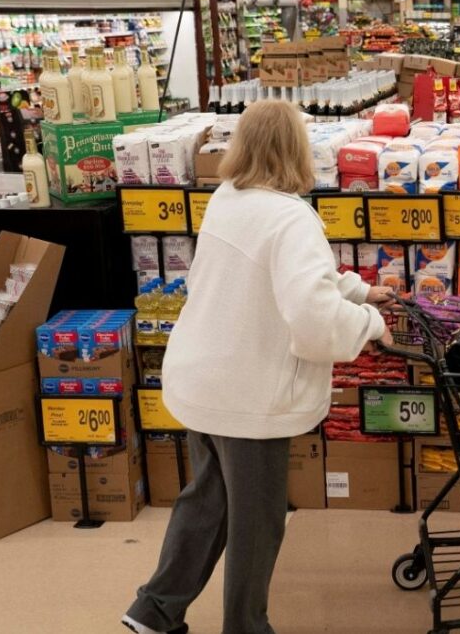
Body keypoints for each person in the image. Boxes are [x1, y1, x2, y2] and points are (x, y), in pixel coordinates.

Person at [121, 100, 393, 634]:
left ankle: (153, 610)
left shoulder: (229, 197)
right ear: (296, 150)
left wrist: (357, 289)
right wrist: (370, 323)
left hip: (201, 378)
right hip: (248, 396)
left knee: (209, 500)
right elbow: (313, 320)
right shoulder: (292, 218)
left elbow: (277, 277)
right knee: (256, 524)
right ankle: (245, 627)